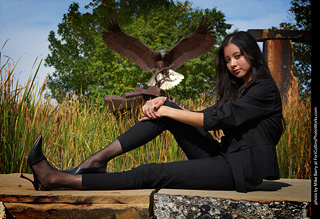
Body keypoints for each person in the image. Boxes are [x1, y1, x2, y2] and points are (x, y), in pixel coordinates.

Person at [22, 31, 284, 193]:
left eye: (237, 56)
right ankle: (95, 162)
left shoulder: (264, 90)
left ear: (252, 54)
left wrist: (168, 110)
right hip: (225, 156)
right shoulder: (242, 89)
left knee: (151, 172)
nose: (232, 64)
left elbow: (214, 119)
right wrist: (165, 105)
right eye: (227, 59)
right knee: (166, 107)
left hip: (239, 171)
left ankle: (57, 179)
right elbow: (212, 112)